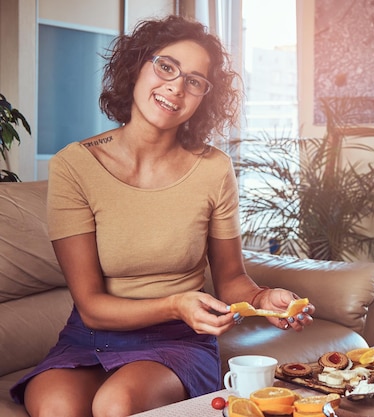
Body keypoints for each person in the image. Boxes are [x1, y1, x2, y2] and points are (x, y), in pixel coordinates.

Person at [10, 14, 315, 417]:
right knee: (54, 408)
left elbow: (231, 280)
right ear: (136, 67)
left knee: (115, 404)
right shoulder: (75, 165)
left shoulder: (213, 169)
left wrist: (262, 298)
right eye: (166, 66)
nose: (175, 86)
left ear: (204, 97)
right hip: (91, 335)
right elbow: (91, 306)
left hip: (179, 339)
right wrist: (177, 303)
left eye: (194, 81)